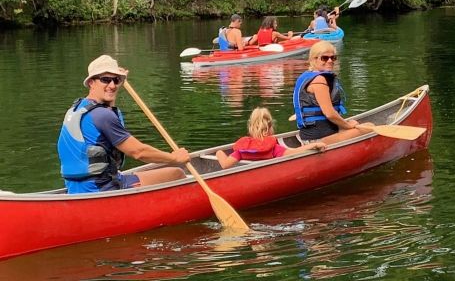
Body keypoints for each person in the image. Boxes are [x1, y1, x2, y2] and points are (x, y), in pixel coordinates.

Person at [57, 55, 191, 194]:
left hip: (76, 188)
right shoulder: (103, 116)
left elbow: (107, 108)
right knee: (177, 173)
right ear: (91, 82)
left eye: (116, 80)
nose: (112, 85)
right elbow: (139, 152)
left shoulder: (76, 109)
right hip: (103, 188)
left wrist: (113, 84)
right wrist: (174, 157)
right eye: (105, 80)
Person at [293, 41, 374, 144]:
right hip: (317, 140)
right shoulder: (319, 80)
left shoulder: (309, 75)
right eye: (325, 58)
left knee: (360, 125)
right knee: (370, 128)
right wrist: (348, 125)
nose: (330, 61)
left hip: (317, 133)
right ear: (314, 59)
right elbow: (329, 114)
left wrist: (345, 124)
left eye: (333, 58)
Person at [216, 107, 326, 169]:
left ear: (250, 127)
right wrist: (313, 145)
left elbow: (225, 165)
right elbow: (294, 153)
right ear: (270, 127)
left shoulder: (241, 151)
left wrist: (219, 152)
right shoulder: (274, 149)